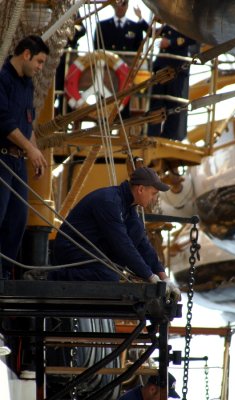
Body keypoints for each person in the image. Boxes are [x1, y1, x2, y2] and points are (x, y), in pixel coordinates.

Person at [48, 167, 181, 301]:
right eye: (153, 193)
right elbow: (122, 245)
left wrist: (164, 278)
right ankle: (52, 275)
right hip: (71, 250)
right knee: (109, 277)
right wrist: (150, 276)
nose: (154, 199)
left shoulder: (129, 206)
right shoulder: (109, 202)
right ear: (140, 189)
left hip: (91, 251)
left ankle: (109, 273)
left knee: (136, 229)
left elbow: (142, 244)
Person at [0, 35, 49, 279]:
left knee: (17, 221)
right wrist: (30, 150)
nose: (40, 67)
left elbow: (27, 122)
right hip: (2, 159)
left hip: (18, 161)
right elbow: (4, 122)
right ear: (26, 54)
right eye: (39, 61)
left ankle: (4, 274)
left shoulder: (27, 83)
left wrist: (34, 153)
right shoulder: (3, 79)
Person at [93, 0, 149, 118]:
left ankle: (121, 127)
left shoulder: (135, 28)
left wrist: (140, 18)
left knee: (123, 106)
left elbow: (139, 50)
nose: (120, 7)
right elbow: (96, 49)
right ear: (113, 6)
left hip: (125, 74)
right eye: (117, 4)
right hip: (106, 73)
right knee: (103, 105)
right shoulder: (102, 26)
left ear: (127, 6)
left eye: (123, 4)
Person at [147, 25, 197, 141]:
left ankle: (169, 135)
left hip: (176, 69)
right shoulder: (166, 26)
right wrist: (141, 18)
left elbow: (193, 38)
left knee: (173, 103)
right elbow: (151, 32)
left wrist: (171, 42)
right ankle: (152, 133)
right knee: (156, 101)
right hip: (160, 68)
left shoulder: (186, 25)